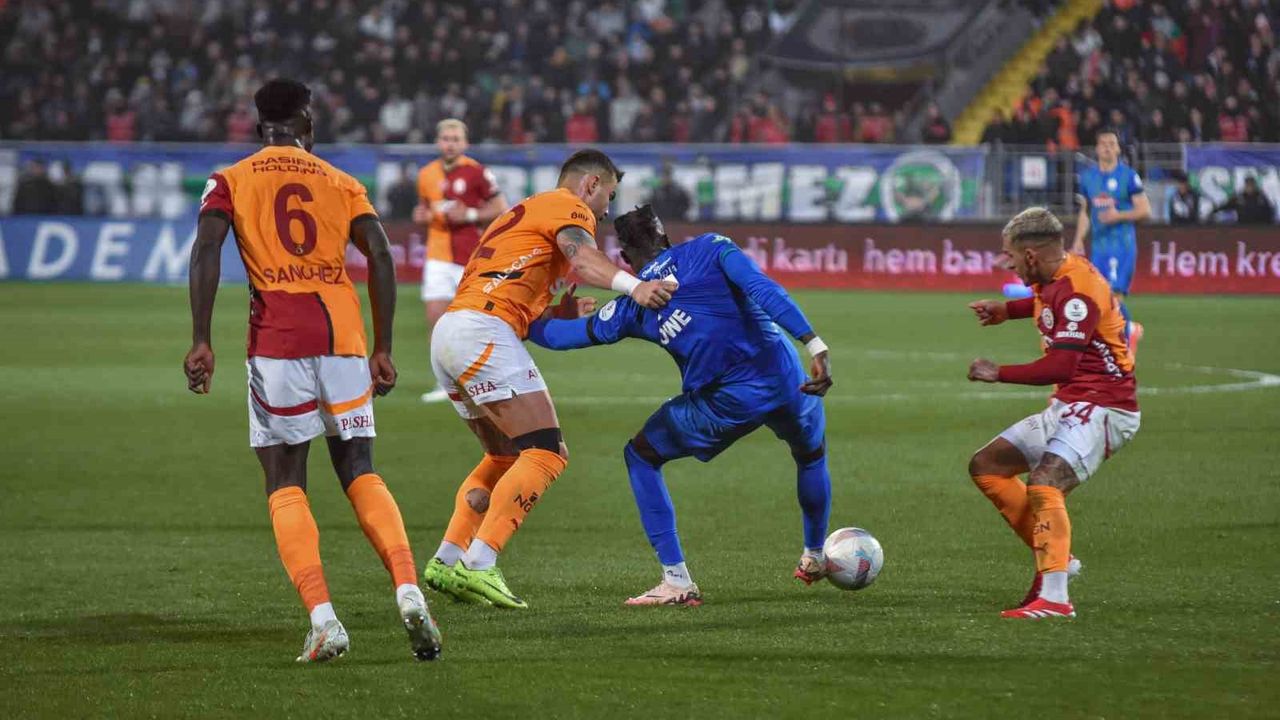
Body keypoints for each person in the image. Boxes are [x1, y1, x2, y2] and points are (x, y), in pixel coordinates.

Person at [183, 79, 441, 663]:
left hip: (278, 340)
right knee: (360, 469)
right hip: (343, 338)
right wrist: (383, 346)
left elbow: (207, 248)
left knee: (285, 480)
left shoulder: (230, 179)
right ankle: (408, 590)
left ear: (260, 128)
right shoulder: (342, 182)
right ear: (308, 124)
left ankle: (324, 621)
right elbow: (380, 253)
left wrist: (201, 337)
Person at [526, 206, 834, 606]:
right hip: (786, 376)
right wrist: (813, 342)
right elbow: (762, 287)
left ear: (625, 259)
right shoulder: (711, 247)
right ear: (666, 237)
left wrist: (527, 320)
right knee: (810, 456)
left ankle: (676, 580)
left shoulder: (632, 306)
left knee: (641, 455)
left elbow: (563, 338)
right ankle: (814, 555)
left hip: (727, 402)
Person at [422, 150, 676, 609]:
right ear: (591, 185)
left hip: (452, 333)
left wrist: (557, 311)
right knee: (547, 452)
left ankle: (448, 557)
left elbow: (508, 285)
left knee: (503, 456)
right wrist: (634, 286)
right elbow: (584, 260)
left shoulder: (518, 214)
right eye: (608, 197)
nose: (605, 211)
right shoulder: (569, 206)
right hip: (482, 331)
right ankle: (480, 563)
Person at [967, 207, 1140, 620]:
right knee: (987, 465)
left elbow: (1061, 366)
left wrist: (998, 373)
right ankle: (1059, 557)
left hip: (1105, 407)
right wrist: (1007, 310)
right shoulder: (1056, 274)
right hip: (1072, 403)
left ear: (1030, 255)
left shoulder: (1078, 291)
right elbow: (1045, 301)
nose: (1007, 263)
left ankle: (1056, 598)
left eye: (1010, 255)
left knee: (1046, 481)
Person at [414, 118, 509, 403]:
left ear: (465, 143)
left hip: (470, 257)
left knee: (475, 322)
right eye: (446, 138)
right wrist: (421, 217)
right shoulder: (426, 175)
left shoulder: (477, 172)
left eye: (456, 139)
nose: (450, 144)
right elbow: (425, 210)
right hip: (437, 256)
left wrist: (469, 214)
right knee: (436, 320)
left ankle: (483, 378)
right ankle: (445, 383)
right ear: (438, 142)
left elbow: (501, 207)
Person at [1070, 129, 1150, 358]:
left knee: (1113, 295)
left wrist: (1118, 216)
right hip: (1099, 247)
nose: (1107, 147)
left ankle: (1125, 337)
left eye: (1111, 143)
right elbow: (1085, 212)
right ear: (1097, 149)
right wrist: (1078, 240)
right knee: (1099, 298)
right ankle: (1125, 333)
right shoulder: (1088, 178)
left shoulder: (1128, 176)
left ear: (1118, 149)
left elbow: (1145, 210)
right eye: (1103, 143)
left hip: (1121, 245)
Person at [1210, 176, 1275, 225]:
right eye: (1248, 185)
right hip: (1242, 226)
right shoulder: (1239, 197)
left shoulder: (1261, 197)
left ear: (1254, 186)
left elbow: (1269, 211)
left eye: (1251, 185)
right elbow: (1226, 206)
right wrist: (1214, 210)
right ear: (1245, 186)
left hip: (1258, 227)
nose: (1250, 187)